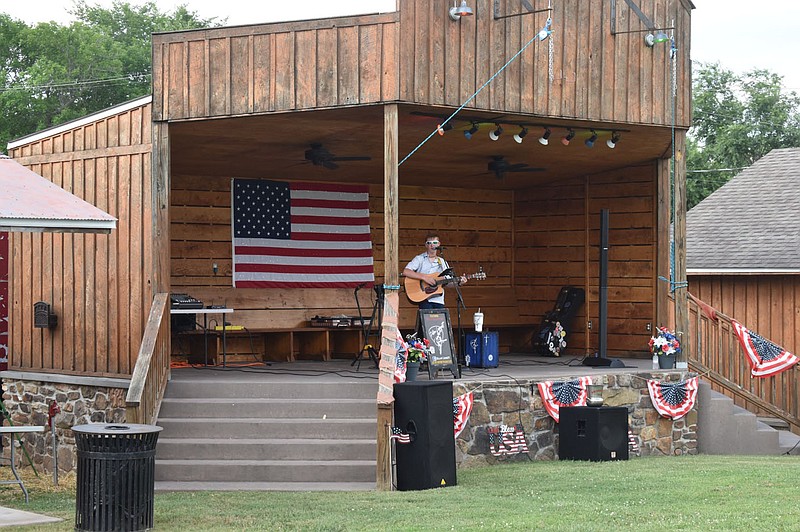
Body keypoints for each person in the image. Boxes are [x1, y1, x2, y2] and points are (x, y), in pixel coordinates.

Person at [403, 232, 466, 309]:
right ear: (426, 245)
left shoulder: (442, 261)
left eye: (435, 242)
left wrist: (459, 283)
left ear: (439, 244)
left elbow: (447, 283)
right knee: (426, 319)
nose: (432, 245)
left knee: (440, 320)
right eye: (429, 243)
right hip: (424, 297)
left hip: (439, 300)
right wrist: (424, 277)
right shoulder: (419, 259)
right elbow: (406, 271)